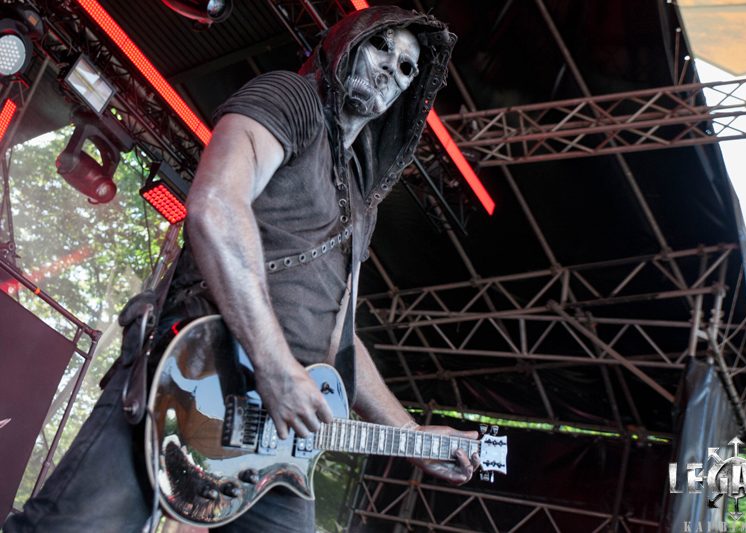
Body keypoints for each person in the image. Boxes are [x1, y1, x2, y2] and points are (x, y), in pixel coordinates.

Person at [5, 6, 478, 533]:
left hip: (278, 441)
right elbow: (216, 205)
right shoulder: (291, 98)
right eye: (381, 46)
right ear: (347, 44)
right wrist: (274, 365)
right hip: (193, 372)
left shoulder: (362, 203)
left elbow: (338, 341)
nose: (392, 68)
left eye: (408, 67)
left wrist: (413, 437)